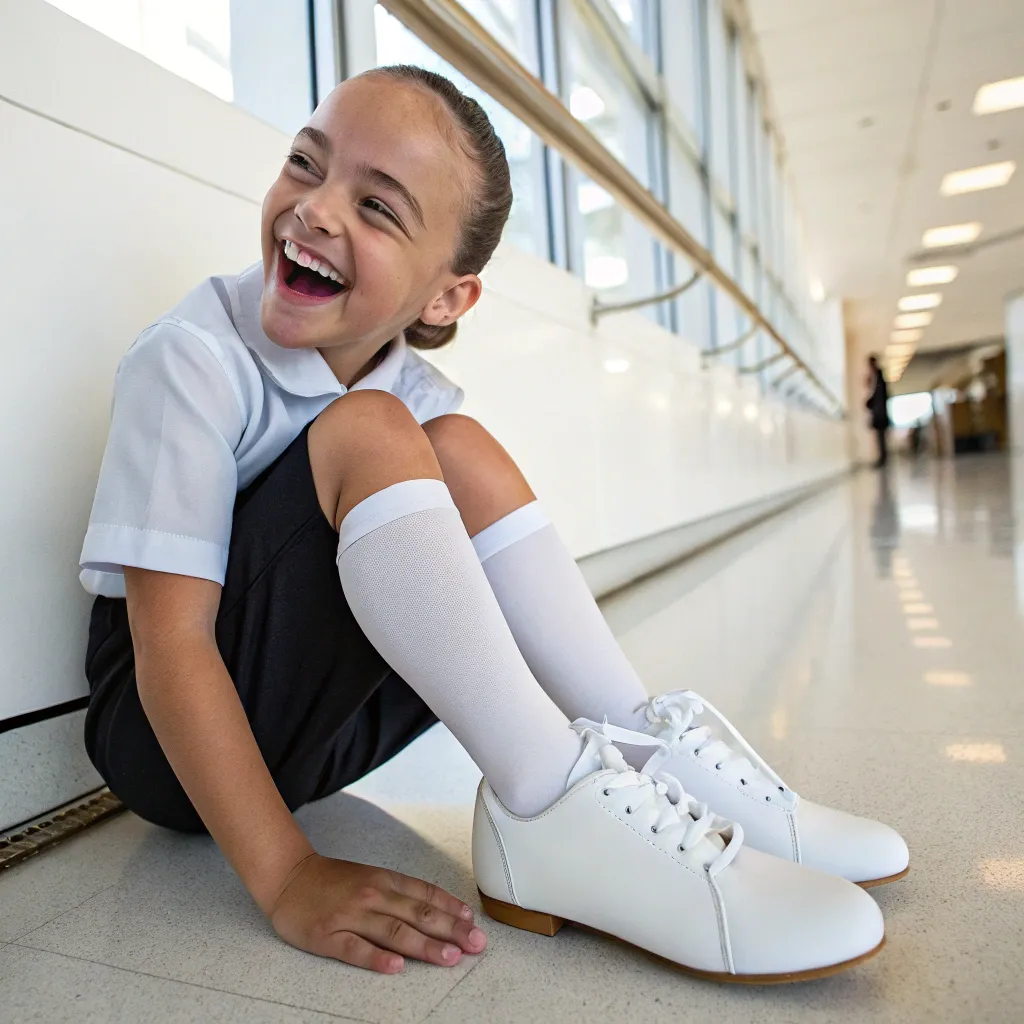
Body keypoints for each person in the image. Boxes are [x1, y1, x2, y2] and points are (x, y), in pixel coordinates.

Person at [80, 67, 905, 983]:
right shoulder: (192, 358)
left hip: (314, 746)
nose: (314, 211)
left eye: (377, 208)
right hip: (164, 743)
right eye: (305, 165)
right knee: (373, 430)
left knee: (457, 445)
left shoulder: (418, 392)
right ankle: (554, 804)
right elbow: (168, 644)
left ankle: (643, 749)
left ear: (446, 298)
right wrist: (288, 875)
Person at [865, 355, 891, 467]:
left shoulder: (879, 376)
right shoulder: (875, 377)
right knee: (880, 438)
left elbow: (879, 396)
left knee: (881, 438)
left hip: (880, 413)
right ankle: (882, 458)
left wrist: (870, 404)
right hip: (879, 412)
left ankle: (883, 459)